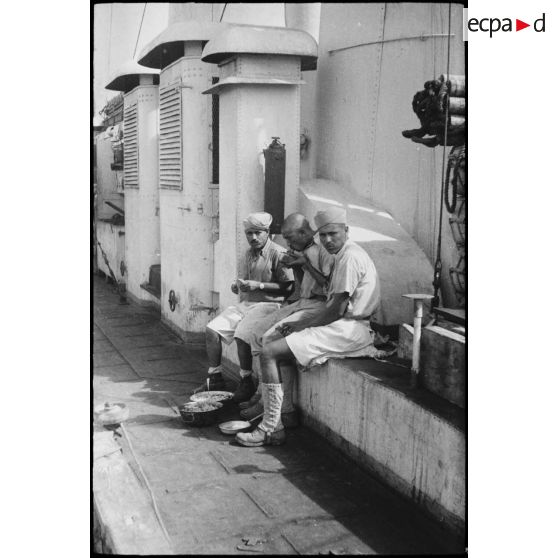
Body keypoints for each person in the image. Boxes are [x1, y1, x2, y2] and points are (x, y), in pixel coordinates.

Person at [236, 207, 381, 447]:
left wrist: (300, 326)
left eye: (333, 234)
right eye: (323, 236)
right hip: (341, 324)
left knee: (270, 351)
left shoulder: (349, 257)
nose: (327, 240)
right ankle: (283, 415)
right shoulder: (342, 254)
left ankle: (270, 427)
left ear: (347, 231)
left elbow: (334, 309)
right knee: (272, 344)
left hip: (349, 328)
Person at [237, 213, 334, 426]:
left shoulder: (322, 252)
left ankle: (285, 408)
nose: (288, 243)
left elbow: (328, 289)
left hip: (318, 305)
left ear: (303, 233)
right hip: (303, 302)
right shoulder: (301, 250)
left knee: (272, 339)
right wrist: (297, 266)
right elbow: (301, 288)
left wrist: (304, 264)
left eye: (290, 238)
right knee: (257, 333)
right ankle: (263, 396)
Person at [194, 211, 294, 400]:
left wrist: (260, 285)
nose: (253, 237)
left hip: (270, 305)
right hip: (247, 303)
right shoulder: (249, 253)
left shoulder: (279, 253)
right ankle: (214, 377)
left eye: (258, 233)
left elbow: (289, 288)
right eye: (249, 233)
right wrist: (238, 285)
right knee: (211, 330)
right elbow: (246, 280)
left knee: (242, 336)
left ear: (267, 232)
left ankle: (246, 381)